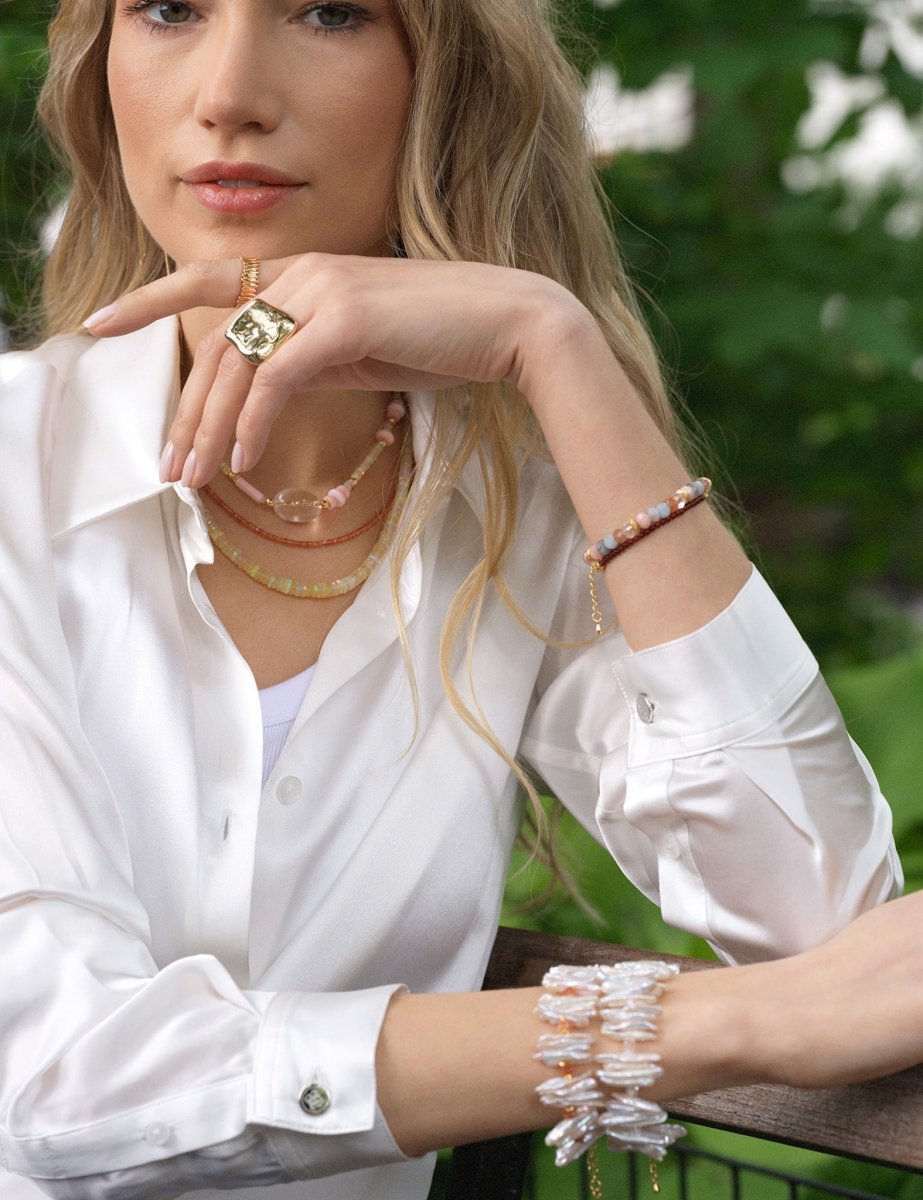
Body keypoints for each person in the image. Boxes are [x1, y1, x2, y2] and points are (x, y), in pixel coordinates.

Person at [0, 1, 901, 1198]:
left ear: (448, 81)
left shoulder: (520, 515)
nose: (228, 92)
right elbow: (61, 1082)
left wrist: (555, 344)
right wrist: (710, 1026)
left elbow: (830, 928)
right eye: (167, 8)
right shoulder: (17, 468)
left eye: (328, 11)